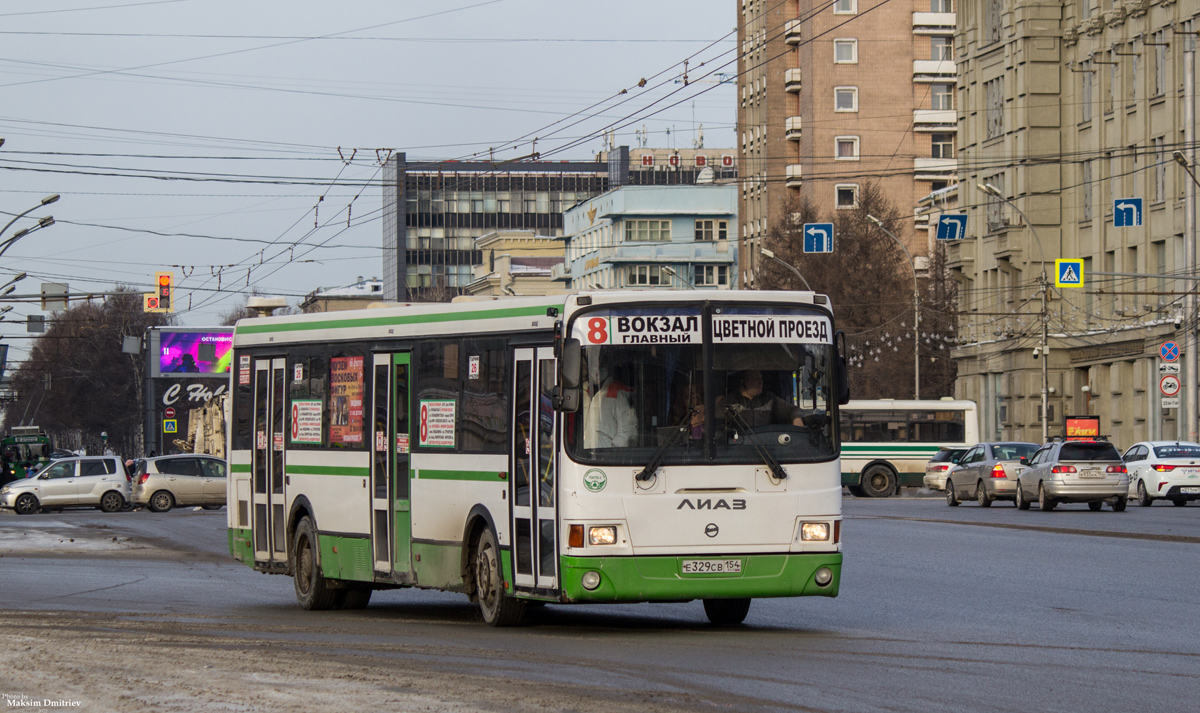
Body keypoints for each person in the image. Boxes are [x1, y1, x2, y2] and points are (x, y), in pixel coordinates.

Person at [720, 370, 804, 428]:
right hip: (739, 449)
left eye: (761, 379)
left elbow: (794, 410)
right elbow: (718, 425)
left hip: (766, 447)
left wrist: (797, 418)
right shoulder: (729, 401)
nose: (760, 383)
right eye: (756, 379)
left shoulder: (769, 399)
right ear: (743, 382)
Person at [584, 366, 637, 448]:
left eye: (601, 364)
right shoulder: (597, 394)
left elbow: (628, 432)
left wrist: (612, 454)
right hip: (590, 458)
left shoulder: (616, 394)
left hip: (606, 458)